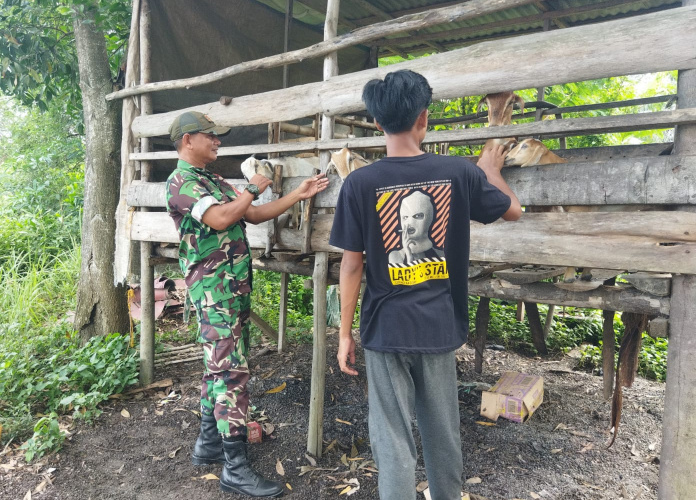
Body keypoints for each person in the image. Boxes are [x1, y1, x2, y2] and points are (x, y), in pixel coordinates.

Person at [330, 70, 521, 500]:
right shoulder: (457, 174)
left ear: (377, 123)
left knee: (393, 442)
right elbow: (513, 211)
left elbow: (351, 266)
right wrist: (489, 168)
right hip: (438, 325)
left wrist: (344, 334)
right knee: (442, 434)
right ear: (424, 118)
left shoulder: (359, 183)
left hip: (384, 330)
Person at [165, 111, 328, 498]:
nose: (218, 142)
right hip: (213, 291)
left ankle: (208, 446)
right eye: (211, 136)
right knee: (230, 375)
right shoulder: (180, 181)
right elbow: (223, 218)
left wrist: (296, 194)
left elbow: (250, 215)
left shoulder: (211, 179)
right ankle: (234, 469)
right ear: (188, 140)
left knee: (218, 368)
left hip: (232, 288)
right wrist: (253, 187)